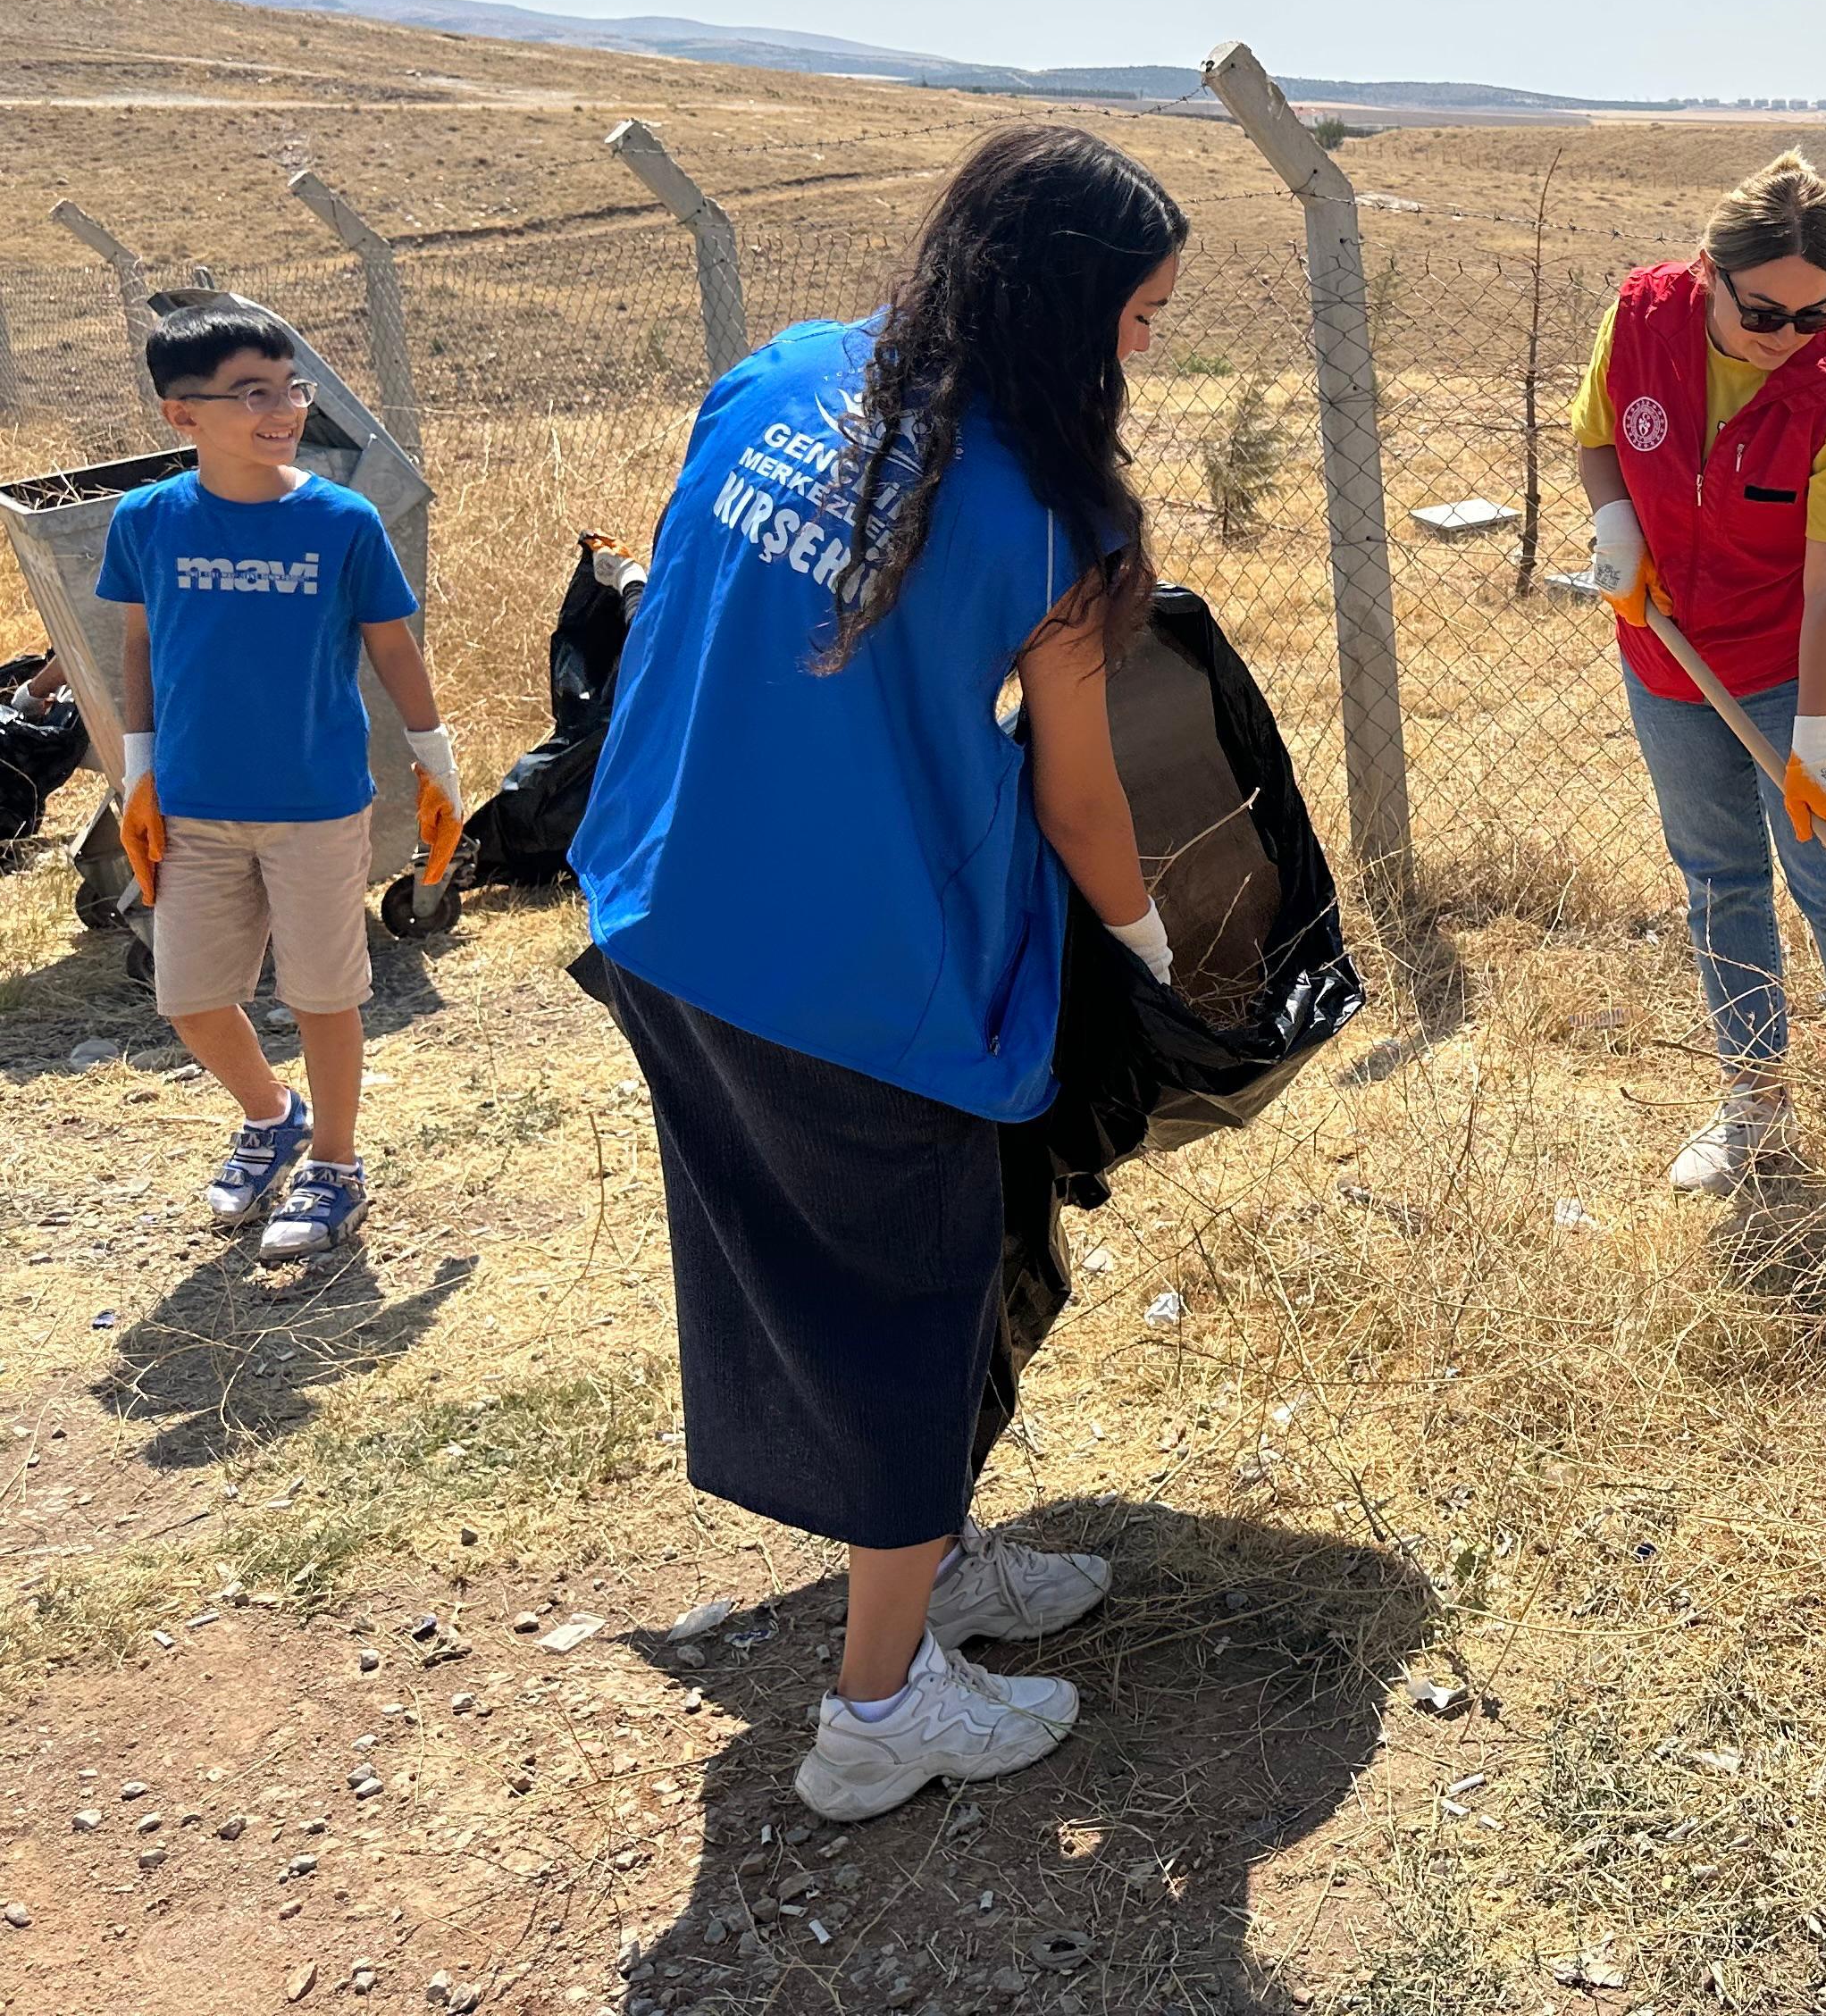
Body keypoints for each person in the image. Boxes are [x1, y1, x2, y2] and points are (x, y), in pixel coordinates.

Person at [570, 126, 1187, 1822]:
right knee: (914, 1298)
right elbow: (1075, 794)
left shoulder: (774, 374)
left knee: (838, 1270)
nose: (1150, 349)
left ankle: (933, 1561)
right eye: (1141, 317)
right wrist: (1141, 942)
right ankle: (876, 1704)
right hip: (855, 973)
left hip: (671, 900)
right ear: (1065, 307)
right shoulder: (1054, 515)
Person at [1574, 149, 1826, 1227]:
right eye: (1762, 313)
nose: (1786, 338)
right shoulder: (1641, 319)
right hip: (1669, 655)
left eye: (1812, 314)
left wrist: (1820, 740)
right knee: (1717, 878)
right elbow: (1598, 435)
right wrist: (1616, 524)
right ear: (1707, 271)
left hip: (1796, 669)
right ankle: (1754, 1104)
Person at [96, 300, 462, 1260]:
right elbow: (138, 650)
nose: (284, 408)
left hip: (315, 805)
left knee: (321, 994)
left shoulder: (343, 521)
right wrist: (136, 773)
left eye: (290, 386)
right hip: (191, 806)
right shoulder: (145, 522)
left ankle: (335, 1165)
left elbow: (394, 648)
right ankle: (272, 1115)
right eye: (251, 392)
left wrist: (438, 766)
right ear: (184, 416)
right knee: (190, 996)